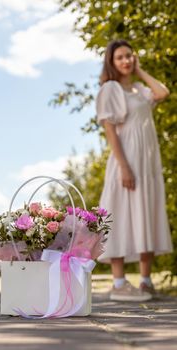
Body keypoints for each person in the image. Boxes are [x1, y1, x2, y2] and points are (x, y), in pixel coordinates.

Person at [96, 39, 173, 302]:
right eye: (120, 57)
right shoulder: (110, 90)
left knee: (146, 213)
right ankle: (118, 283)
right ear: (111, 62)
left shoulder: (140, 90)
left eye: (129, 56)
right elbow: (110, 132)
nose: (126, 60)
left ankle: (145, 281)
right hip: (125, 161)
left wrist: (140, 71)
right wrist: (124, 167)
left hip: (147, 162)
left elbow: (162, 92)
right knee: (120, 213)